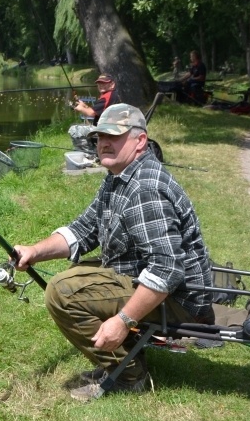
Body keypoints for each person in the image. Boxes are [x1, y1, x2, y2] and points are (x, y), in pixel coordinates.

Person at [14, 103, 214, 401]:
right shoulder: (119, 177)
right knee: (76, 277)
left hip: (181, 301)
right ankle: (125, 360)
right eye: (99, 137)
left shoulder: (144, 188)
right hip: (153, 280)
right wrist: (34, 251)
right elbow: (82, 230)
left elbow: (168, 269)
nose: (103, 143)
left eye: (113, 136)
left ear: (140, 141)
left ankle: (128, 375)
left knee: (62, 291)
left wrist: (123, 321)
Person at [68, 73, 121, 153]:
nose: (101, 85)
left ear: (112, 84)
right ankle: (95, 150)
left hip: (105, 129)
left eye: (104, 83)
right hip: (110, 127)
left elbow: (91, 113)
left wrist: (79, 108)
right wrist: (84, 106)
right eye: (99, 83)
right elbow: (96, 111)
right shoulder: (111, 95)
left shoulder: (107, 97)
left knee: (74, 129)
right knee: (81, 128)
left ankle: (90, 153)